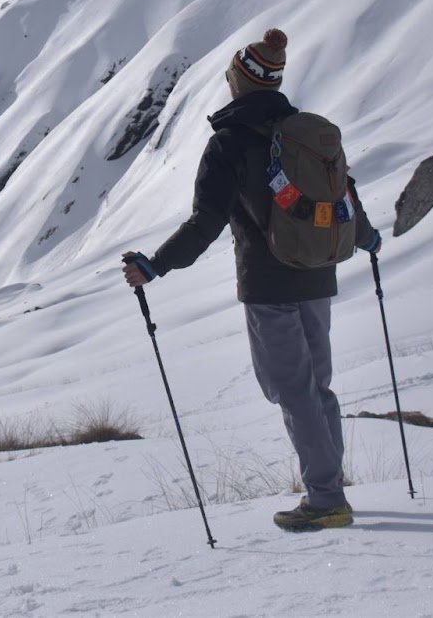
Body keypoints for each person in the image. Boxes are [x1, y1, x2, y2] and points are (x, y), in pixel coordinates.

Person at [121, 28, 380, 531]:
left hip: (268, 285)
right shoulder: (305, 133)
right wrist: (367, 239)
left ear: (240, 82)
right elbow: (344, 196)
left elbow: (205, 222)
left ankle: (326, 498)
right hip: (318, 274)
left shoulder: (230, 142)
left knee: (292, 390)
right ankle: (330, 487)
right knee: (316, 387)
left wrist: (155, 265)